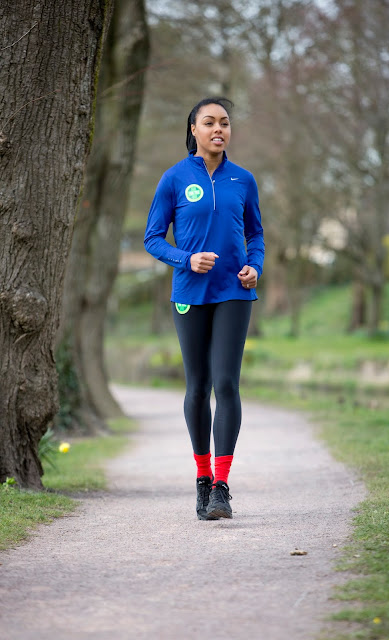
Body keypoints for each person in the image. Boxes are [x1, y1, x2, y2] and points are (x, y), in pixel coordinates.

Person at [144, 97, 265, 520]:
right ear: (193, 129)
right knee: (198, 386)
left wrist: (255, 267)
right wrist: (186, 259)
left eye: (225, 123)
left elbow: (256, 234)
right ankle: (201, 477)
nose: (219, 129)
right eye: (209, 122)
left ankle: (221, 487)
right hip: (189, 294)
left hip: (234, 291)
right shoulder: (174, 178)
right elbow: (153, 238)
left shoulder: (243, 180)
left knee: (226, 384)